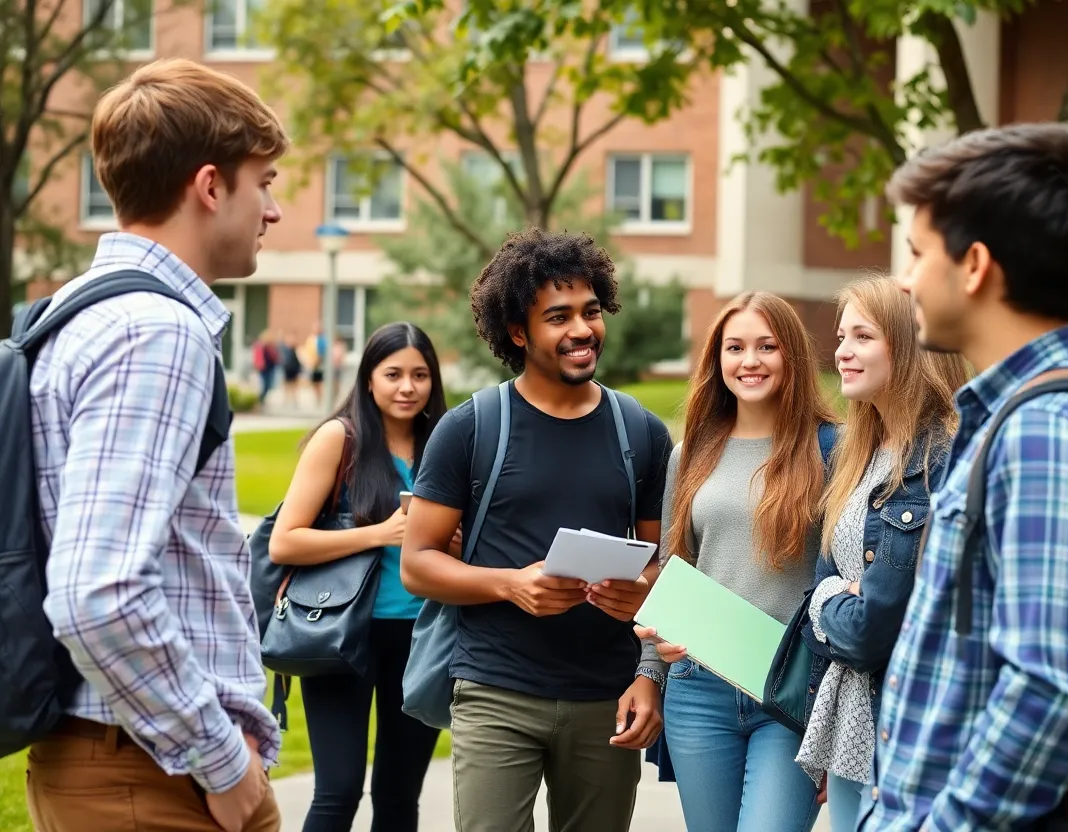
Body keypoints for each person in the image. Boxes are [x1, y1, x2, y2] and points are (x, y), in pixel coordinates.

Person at [859, 123, 1068, 831]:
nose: (905, 279)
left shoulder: (1050, 436)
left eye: (916, 253)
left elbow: (1055, 694)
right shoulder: (1020, 421)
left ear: (974, 265)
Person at [25, 59, 288, 831]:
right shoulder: (156, 331)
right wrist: (221, 760)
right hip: (154, 772)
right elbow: (95, 592)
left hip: (121, 755)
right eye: (264, 182)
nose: (273, 210)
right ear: (210, 187)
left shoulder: (71, 312)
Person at [399, 228, 672, 832]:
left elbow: (665, 565)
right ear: (518, 332)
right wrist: (509, 585)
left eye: (591, 311)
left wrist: (646, 603)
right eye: (559, 316)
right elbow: (416, 564)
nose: (582, 329)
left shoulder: (642, 432)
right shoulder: (469, 428)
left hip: (607, 695)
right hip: (496, 690)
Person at [634, 291, 838, 832]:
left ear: (791, 355)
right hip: (699, 690)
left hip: (790, 692)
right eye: (735, 347)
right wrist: (652, 670)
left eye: (767, 346)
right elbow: (674, 568)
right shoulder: (692, 452)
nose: (750, 361)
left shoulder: (830, 450)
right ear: (716, 359)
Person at [795, 275, 968, 832]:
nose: (842, 351)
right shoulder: (855, 453)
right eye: (843, 336)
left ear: (910, 344)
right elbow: (822, 579)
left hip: (908, 726)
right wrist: (831, 599)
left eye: (862, 337)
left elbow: (872, 631)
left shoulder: (941, 458)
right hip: (849, 723)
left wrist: (827, 604)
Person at [269, 322, 453, 832]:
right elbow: (285, 541)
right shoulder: (340, 438)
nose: (407, 387)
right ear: (368, 379)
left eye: (420, 375)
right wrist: (378, 534)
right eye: (392, 373)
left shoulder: (447, 442)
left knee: (399, 797)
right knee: (339, 790)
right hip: (341, 632)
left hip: (423, 634)